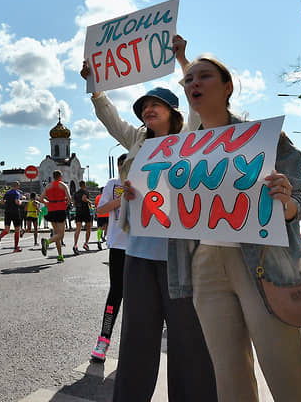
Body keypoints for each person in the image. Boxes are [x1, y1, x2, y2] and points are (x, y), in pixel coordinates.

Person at [166, 54, 301, 401]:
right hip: (205, 266)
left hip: (263, 264)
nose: (194, 84)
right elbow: (167, 209)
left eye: (204, 77)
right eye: (188, 80)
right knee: (229, 377)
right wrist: (140, 196)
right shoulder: (179, 152)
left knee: (286, 371)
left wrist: (288, 204)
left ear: (227, 86)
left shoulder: (265, 138)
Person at [81, 34, 217, 402]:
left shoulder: (191, 136)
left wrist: (183, 60)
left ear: (173, 112)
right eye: (144, 107)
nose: (147, 110)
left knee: (187, 339)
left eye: (156, 105)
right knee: (137, 337)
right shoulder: (137, 141)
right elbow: (111, 120)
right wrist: (96, 88)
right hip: (138, 251)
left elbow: (196, 100)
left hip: (180, 254)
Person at [89, 154, 129, 362]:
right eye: (120, 166)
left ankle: (134, 345)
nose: (123, 170)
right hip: (118, 246)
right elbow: (100, 209)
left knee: (139, 297)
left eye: (127, 166)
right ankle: (103, 340)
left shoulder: (144, 182)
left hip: (140, 248)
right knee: (115, 294)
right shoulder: (112, 184)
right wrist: (119, 200)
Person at [40, 171, 72, 262]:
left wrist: (47, 203)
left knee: (57, 234)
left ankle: (60, 256)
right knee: (61, 235)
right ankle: (47, 242)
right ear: (60, 176)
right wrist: (65, 203)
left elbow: (41, 199)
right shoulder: (63, 185)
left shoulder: (48, 186)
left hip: (51, 211)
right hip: (60, 210)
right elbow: (69, 198)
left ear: (53, 177)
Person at [0, 181, 23, 252]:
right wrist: (20, 202)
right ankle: (16, 247)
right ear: (17, 186)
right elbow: (17, 201)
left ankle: (0, 236)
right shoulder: (17, 193)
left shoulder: (7, 193)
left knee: (7, 230)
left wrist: (7, 204)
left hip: (7, 212)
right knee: (17, 230)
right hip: (15, 212)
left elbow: (2, 201)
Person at [73, 181, 92, 253]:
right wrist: (89, 202)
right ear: (84, 185)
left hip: (78, 211)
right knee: (88, 227)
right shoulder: (85, 192)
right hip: (85, 211)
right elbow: (84, 199)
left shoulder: (76, 193)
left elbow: (74, 203)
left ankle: (75, 245)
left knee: (78, 228)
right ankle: (86, 244)